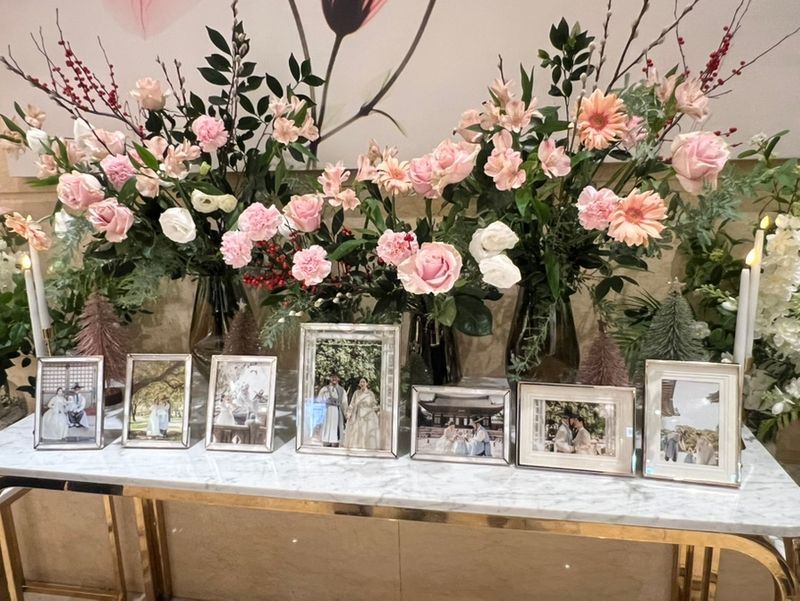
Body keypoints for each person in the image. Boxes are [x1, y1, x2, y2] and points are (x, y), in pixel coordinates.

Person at [343, 377, 380, 450]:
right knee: (358, 430)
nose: (362, 384)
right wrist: (349, 413)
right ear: (359, 384)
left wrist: (377, 409)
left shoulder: (370, 393)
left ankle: (366, 445)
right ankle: (358, 445)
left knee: (366, 429)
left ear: (367, 383)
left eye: (364, 382)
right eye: (361, 382)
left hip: (368, 414)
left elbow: (373, 404)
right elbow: (352, 404)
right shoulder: (356, 393)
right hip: (358, 413)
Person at [318, 374, 348, 447]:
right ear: (330, 379)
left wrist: (346, 413)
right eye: (332, 378)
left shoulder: (342, 390)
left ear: (338, 379)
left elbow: (344, 403)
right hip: (327, 409)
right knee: (326, 424)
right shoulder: (324, 389)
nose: (334, 379)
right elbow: (319, 399)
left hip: (336, 410)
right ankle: (326, 440)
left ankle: (335, 441)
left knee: (335, 425)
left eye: (336, 378)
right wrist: (325, 402)